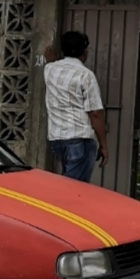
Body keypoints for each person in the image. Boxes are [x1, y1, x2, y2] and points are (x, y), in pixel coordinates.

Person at [43, 31, 109, 183]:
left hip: (57, 140)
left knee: (70, 184)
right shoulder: (85, 75)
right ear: (84, 51)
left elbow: (52, 64)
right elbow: (96, 113)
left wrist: (52, 60)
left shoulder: (49, 70)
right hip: (79, 139)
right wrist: (103, 145)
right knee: (74, 190)